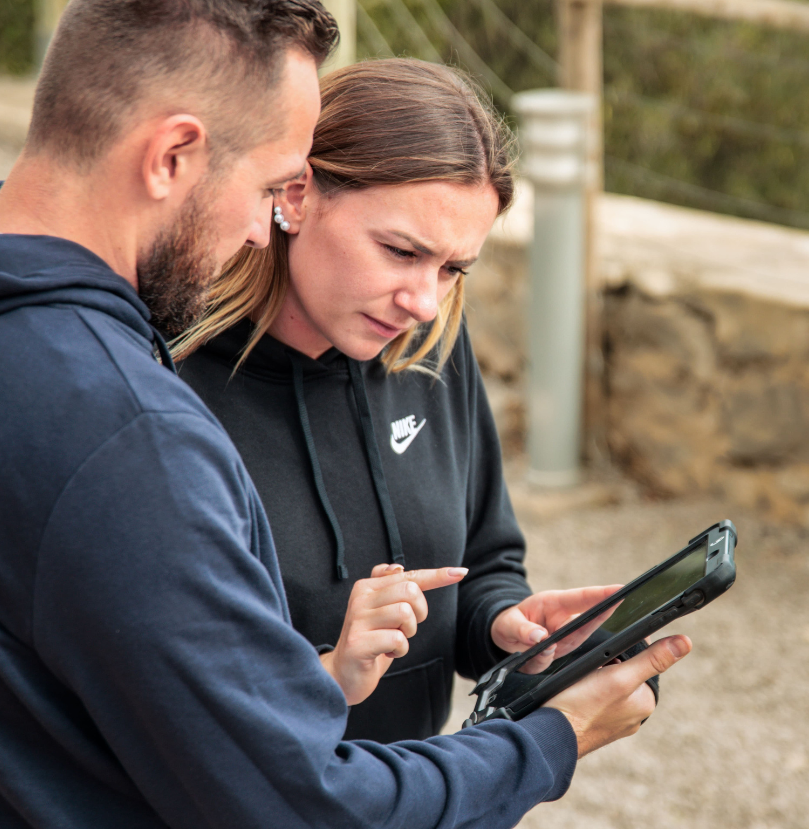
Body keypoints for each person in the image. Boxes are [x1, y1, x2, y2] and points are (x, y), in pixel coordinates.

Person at [0, 0, 688, 827]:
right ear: (172, 155)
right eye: (270, 188)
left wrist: (493, 629)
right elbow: (308, 809)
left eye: (455, 268)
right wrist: (552, 739)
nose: (266, 231)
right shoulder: (129, 431)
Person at [174, 58, 647, 743]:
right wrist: (326, 671)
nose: (425, 302)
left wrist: (507, 628)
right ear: (298, 193)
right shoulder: (164, 378)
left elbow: (484, 561)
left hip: (420, 796)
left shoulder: (430, 350)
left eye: (453, 268)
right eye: (400, 251)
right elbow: (163, 686)